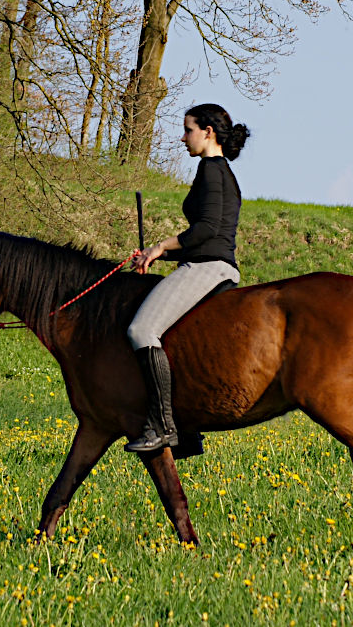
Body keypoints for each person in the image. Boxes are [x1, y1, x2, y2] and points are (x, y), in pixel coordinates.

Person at [124, 103, 249, 453]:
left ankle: (164, 427)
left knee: (141, 331)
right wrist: (157, 253)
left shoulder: (211, 170)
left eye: (188, 129)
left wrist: (162, 246)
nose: (183, 137)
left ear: (207, 132)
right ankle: (186, 426)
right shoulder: (220, 171)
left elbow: (206, 229)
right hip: (209, 263)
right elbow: (206, 236)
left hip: (208, 268)